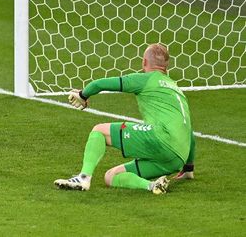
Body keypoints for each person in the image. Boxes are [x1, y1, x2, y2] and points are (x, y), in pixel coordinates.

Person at [54, 43, 193, 194]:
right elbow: (189, 132)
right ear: (166, 66)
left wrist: (82, 95)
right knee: (111, 176)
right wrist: (188, 168)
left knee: (99, 131)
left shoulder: (145, 79)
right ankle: (152, 186)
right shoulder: (177, 90)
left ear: (144, 62)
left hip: (161, 139)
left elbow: (100, 84)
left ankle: (83, 178)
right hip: (177, 159)